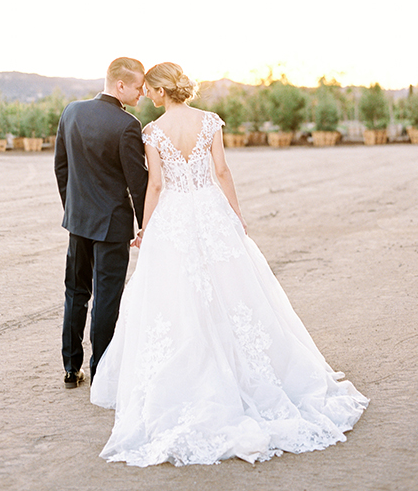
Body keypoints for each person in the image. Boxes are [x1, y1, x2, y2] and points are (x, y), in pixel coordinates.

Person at [90, 62, 368, 466]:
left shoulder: (153, 132)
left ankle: (192, 379)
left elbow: (155, 184)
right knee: (234, 292)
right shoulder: (209, 122)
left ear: (162, 92)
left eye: (151, 89)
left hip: (175, 217)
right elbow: (222, 170)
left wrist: (146, 228)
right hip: (210, 211)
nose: (148, 95)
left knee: (176, 297)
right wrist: (235, 216)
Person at [54, 57, 148, 389]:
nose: (143, 93)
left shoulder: (71, 111)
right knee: (107, 298)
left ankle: (70, 367)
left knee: (75, 292)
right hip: (112, 227)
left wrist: (75, 210)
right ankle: (101, 372)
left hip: (78, 222)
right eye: (139, 87)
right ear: (120, 85)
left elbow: (61, 168)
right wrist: (145, 225)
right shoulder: (127, 125)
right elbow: (138, 183)